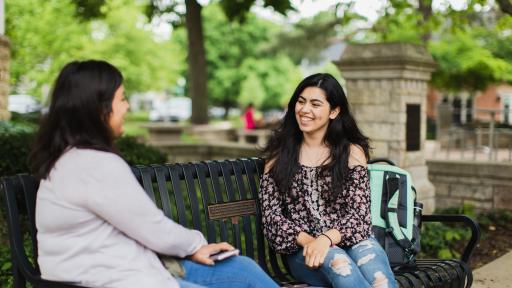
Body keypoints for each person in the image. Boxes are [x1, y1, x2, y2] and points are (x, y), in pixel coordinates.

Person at [29, 60, 278, 288]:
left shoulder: (70, 158)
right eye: (122, 99)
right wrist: (196, 244)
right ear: (98, 109)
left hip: (129, 268)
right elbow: (154, 230)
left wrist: (192, 248)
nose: (127, 106)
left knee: (241, 269)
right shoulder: (94, 165)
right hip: (112, 278)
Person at [259, 73, 397, 288]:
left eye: (315, 104)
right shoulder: (279, 155)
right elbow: (272, 218)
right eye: (301, 101)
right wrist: (311, 241)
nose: (305, 110)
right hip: (302, 250)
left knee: (381, 281)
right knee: (343, 270)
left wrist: (326, 239)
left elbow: (359, 216)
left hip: (351, 241)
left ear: (334, 111)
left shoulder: (351, 153)